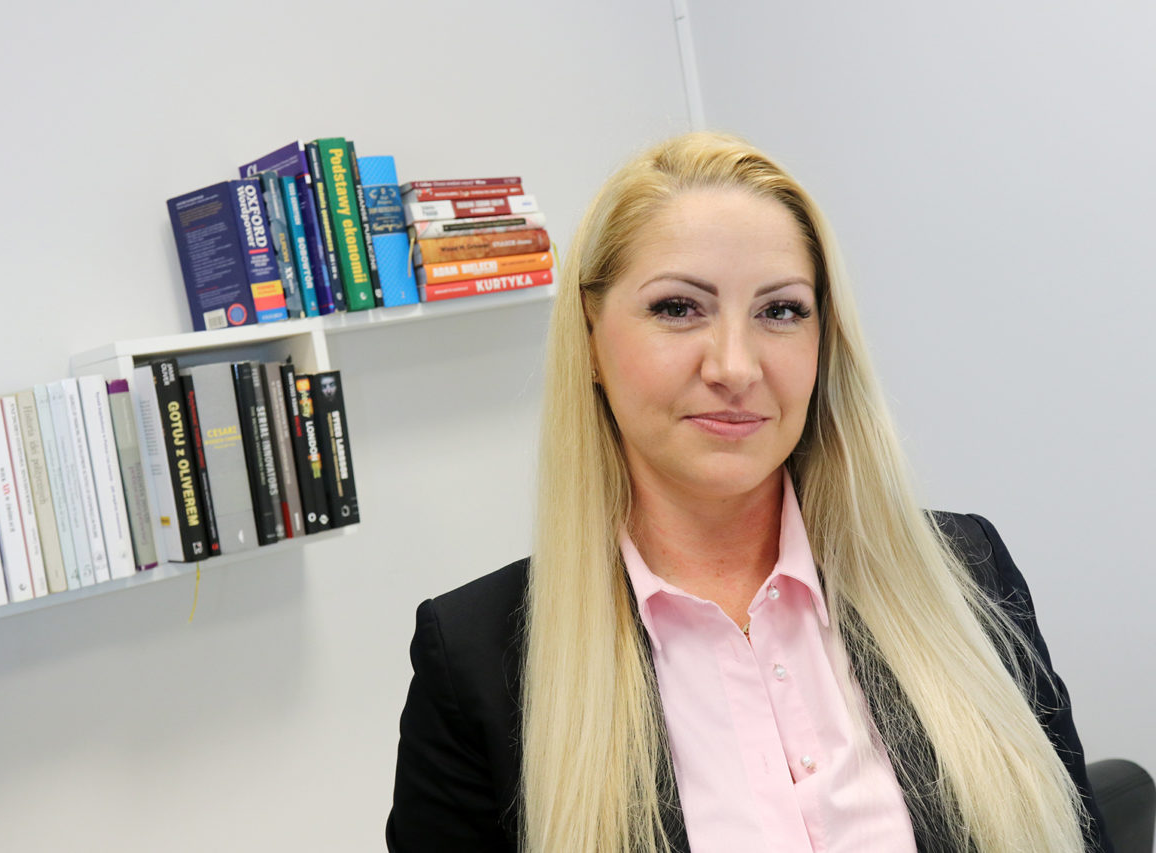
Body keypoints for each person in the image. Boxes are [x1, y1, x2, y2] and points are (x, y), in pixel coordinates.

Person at [386, 132, 1112, 853]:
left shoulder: (966, 569)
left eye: (781, 311)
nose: (735, 367)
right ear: (590, 336)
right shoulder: (475, 659)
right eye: (678, 308)